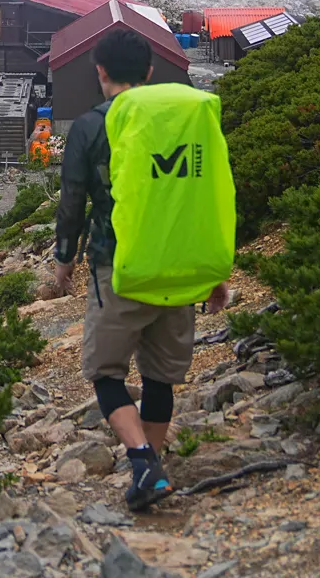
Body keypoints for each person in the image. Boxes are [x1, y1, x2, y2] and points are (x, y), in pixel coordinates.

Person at [51, 28, 237, 512]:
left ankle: (141, 460)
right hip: (179, 267)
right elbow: (202, 197)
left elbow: (72, 200)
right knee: (159, 378)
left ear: (100, 72)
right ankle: (151, 470)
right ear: (150, 73)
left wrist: (65, 260)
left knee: (105, 371)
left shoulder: (93, 126)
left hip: (121, 268)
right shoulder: (181, 122)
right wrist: (214, 271)